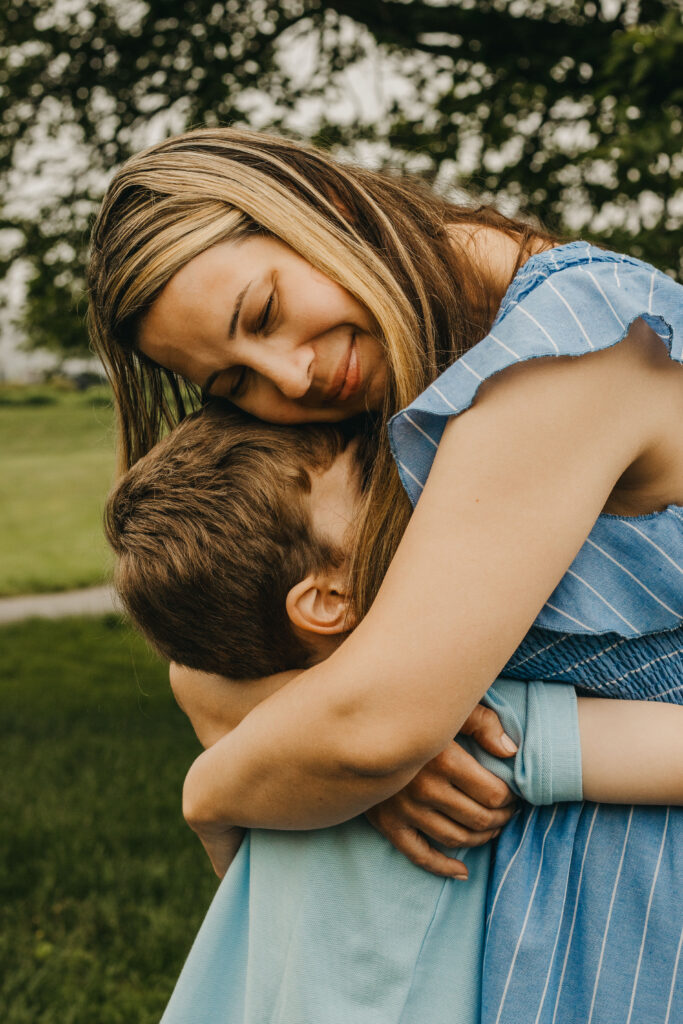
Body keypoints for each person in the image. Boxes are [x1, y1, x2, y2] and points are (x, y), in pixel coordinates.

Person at [88, 126, 683, 1023]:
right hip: (555, 900)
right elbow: (205, 659)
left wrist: (214, 792)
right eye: (229, 383)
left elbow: (371, 727)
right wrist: (329, 738)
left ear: (328, 208)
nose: (289, 378)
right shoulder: (400, 380)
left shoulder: (569, 351)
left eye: (262, 312)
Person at [104, 401, 683, 1024]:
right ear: (329, 599)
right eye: (375, 477)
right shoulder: (451, 716)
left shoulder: (272, 744)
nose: (417, 477)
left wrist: (210, 790)